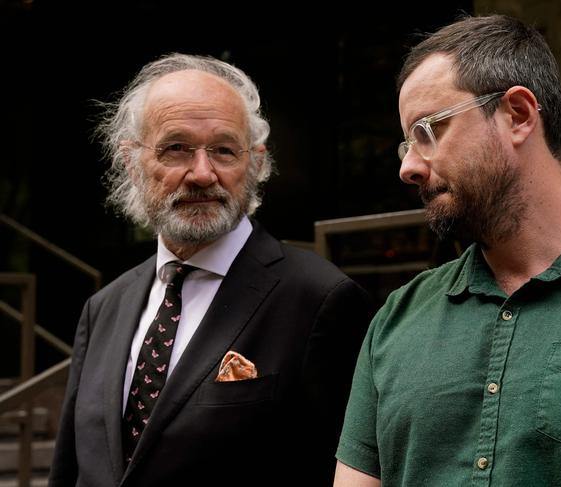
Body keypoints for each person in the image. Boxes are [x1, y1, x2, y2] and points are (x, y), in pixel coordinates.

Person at [334, 14, 561, 487]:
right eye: (406, 143)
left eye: (428, 130)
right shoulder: (396, 318)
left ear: (518, 114)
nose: (409, 167)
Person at [48, 53, 372, 487]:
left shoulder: (320, 299)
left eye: (223, 150)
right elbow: (70, 470)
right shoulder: (103, 307)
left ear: (254, 163)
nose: (202, 174)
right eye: (176, 148)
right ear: (131, 162)